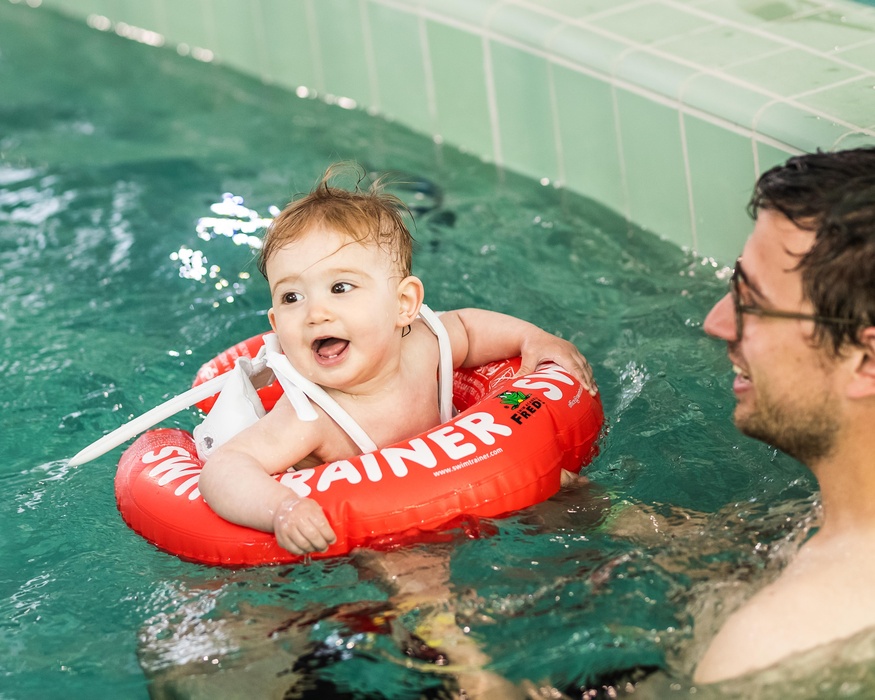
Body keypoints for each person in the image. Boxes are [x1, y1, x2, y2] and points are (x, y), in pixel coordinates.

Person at [197, 162, 597, 557]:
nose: (314, 313)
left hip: (472, 483)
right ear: (275, 325)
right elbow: (225, 467)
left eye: (340, 287)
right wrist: (283, 508)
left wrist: (535, 338)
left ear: (404, 304)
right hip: (391, 536)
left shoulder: (424, 345)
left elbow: (470, 329)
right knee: (415, 574)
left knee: (566, 486)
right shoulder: (311, 414)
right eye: (291, 298)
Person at [694, 147, 875, 683]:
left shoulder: (766, 651)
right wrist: (599, 512)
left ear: (865, 360)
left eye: (750, 303)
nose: (716, 323)